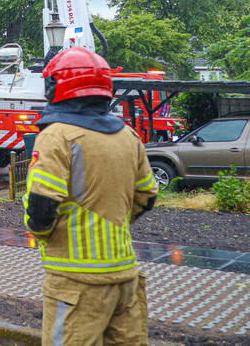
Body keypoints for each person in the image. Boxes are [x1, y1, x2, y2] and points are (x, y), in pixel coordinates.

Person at [24, 47, 158, 345]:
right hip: (126, 277)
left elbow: (43, 205)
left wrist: (43, 234)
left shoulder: (56, 136)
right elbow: (148, 195)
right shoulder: (129, 136)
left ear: (56, 86)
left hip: (75, 282)